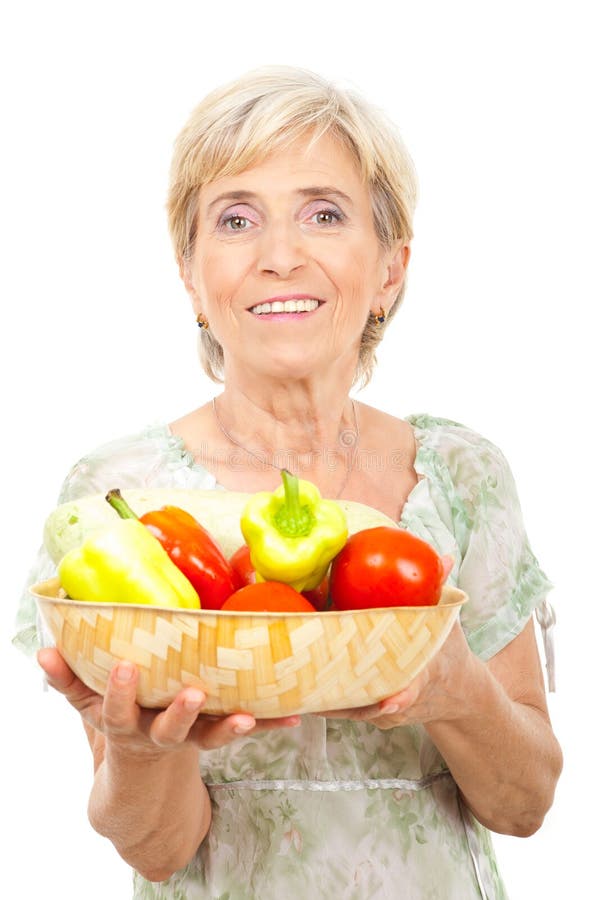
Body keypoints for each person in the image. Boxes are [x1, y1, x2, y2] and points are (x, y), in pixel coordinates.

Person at [14, 66, 562, 899]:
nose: (279, 256)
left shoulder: (460, 476)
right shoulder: (119, 494)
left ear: (389, 268)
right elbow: (159, 850)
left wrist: (455, 689)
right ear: (192, 275)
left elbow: (525, 806)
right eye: (236, 220)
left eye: (324, 214)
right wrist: (138, 749)